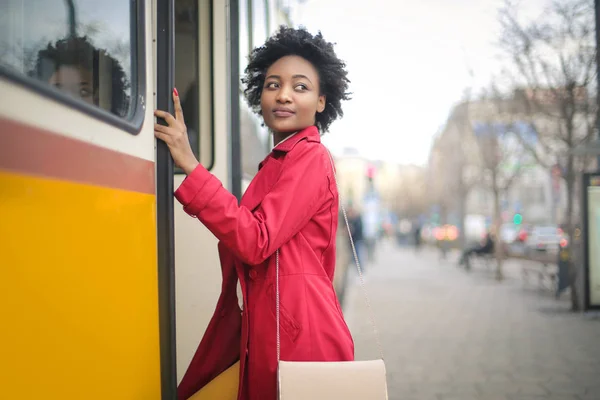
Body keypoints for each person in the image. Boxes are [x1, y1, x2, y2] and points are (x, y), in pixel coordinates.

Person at [154, 26, 353, 400]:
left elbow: (256, 239)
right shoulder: (278, 162)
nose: (283, 95)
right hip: (271, 330)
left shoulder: (310, 156)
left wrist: (192, 167)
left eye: (300, 87)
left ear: (322, 102)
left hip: (298, 341)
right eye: (273, 84)